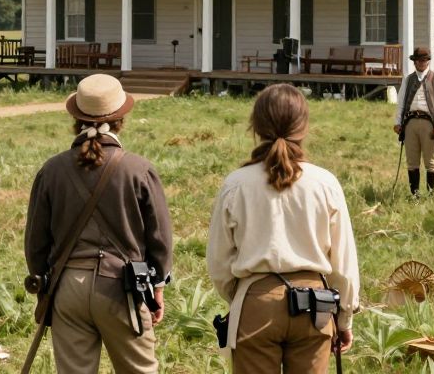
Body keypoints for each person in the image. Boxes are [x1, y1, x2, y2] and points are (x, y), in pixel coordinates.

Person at [25, 73, 173, 374]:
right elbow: (160, 238)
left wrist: (44, 285)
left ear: (76, 119)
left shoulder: (51, 170)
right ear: (121, 119)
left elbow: (35, 242)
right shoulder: (139, 170)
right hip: (123, 289)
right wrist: (157, 288)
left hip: (68, 288)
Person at [207, 83, 359, 373]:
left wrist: (242, 298)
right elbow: (344, 263)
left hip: (255, 301)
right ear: (303, 126)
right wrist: (345, 318)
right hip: (316, 306)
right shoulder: (325, 183)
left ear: (256, 125)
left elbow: (218, 263)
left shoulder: (235, 184)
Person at [393, 47, 434, 196]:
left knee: (430, 160)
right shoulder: (408, 79)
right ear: (414, 62)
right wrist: (398, 122)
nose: (421, 63)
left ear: (428, 61)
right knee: (412, 161)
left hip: (428, 123)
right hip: (410, 122)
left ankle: (431, 194)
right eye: (418, 60)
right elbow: (400, 102)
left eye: (424, 60)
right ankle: (415, 194)